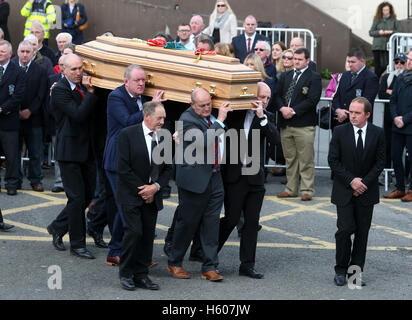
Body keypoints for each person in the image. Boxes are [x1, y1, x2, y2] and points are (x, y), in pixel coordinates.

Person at [167, 88, 232, 282]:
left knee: (211, 224)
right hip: (194, 180)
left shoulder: (209, 117)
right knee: (187, 223)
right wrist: (220, 119)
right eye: (202, 105)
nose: (206, 108)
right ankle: (175, 261)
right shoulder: (186, 120)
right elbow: (204, 142)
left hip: (214, 177)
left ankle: (210, 266)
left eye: (208, 104)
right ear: (191, 105)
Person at [103, 64, 165, 267]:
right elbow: (127, 121)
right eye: (137, 80)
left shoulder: (142, 98)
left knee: (128, 207)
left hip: (136, 160)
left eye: (143, 80)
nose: (141, 83)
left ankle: (122, 251)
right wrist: (152, 106)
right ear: (125, 81)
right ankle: (122, 253)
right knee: (126, 208)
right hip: (117, 159)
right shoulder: (116, 97)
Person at [218, 82, 280, 279]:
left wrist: (262, 118)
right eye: (262, 97)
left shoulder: (266, 118)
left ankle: (247, 265)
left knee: (252, 223)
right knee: (231, 219)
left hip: (255, 177)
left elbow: (275, 139)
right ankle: (206, 254)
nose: (265, 101)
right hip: (234, 176)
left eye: (268, 98)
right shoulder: (236, 113)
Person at [328, 97, 385, 286]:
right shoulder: (339, 131)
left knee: (362, 233)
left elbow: (379, 163)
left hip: (366, 192)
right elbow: (333, 161)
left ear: (367, 114)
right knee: (344, 230)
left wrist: (363, 184)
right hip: (344, 189)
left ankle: (354, 273)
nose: (352, 116)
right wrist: (352, 181)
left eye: (357, 113)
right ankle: (341, 270)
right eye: (351, 112)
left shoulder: (378, 133)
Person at [46, 54, 98, 259]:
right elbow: (77, 115)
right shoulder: (59, 90)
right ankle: (77, 244)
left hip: (87, 150)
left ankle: (57, 226)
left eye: (80, 69)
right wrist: (91, 93)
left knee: (86, 196)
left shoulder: (83, 86)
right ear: (63, 70)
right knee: (76, 198)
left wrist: (90, 91)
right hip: (69, 151)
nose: (78, 73)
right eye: (74, 69)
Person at [117, 101, 172, 291]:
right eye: (159, 118)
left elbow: (167, 169)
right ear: (147, 116)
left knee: (148, 235)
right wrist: (144, 190)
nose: (162, 122)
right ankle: (125, 273)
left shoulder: (164, 137)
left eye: (164, 118)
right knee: (134, 232)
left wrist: (155, 188)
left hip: (153, 195)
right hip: (132, 194)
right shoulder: (127, 135)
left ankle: (141, 275)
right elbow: (123, 169)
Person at [274, 48, 322, 201]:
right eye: (295, 59)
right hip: (286, 123)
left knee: (306, 158)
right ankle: (291, 188)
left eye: (300, 59)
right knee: (290, 158)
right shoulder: (285, 75)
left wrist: (293, 111)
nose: (296, 62)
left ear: (307, 61)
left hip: (304, 124)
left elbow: (312, 100)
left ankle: (307, 189)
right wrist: (282, 108)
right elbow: (277, 95)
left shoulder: (314, 77)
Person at [12, 40, 47, 192]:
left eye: (28, 52)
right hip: (13, 117)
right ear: (17, 52)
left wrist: (30, 111)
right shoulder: (11, 68)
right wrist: (16, 110)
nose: (25, 54)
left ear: (33, 54)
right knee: (14, 152)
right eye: (22, 51)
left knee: (35, 152)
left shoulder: (40, 70)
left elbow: (41, 94)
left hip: (34, 118)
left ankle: (35, 180)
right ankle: (16, 180)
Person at [384, 50, 412, 202]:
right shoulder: (400, 78)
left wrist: (405, 119)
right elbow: (393, 99)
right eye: (408, 59)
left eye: (411, 60)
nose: (408, 62)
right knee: (395, 156)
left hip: (410, 125)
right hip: (398, 125)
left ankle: (411, 189)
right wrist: (395, 117)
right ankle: (400, 187)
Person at [0, 40, 26, 196]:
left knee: (11, 156)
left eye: (3, 51)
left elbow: (19, 95)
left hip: (9, 120)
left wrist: (3, 108)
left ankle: (11, 183)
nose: (0, 54)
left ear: (10, 54)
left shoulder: (18, 72)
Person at [332, 48, 379, 126]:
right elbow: (337, 97)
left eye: (353, 62)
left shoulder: (371, 77)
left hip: (359, 124)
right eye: (349, 62)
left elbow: (366, 102)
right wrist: (338, 110)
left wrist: (347, 113)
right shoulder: (345, 75)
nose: (350, 65)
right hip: (340, 122)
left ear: (362, 61)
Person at [378, 53, 407, 171]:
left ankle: (404, 175)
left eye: (402, 62)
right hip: (389, 118)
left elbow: (405, 97)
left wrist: (391, 92)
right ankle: (387, 172)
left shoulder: (408, 78)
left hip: (405, 118)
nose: (399, 65)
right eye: (396, 62)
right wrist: (393, 94)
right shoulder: (386, 77)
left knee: (406, 149)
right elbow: (381, 94)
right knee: (388, 146)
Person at [369, 2, 402, 79]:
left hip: (388, 46)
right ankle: (375, 81)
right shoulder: (377, 19)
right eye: (384, 10)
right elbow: (371, 32)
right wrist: (379, 32)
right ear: (381, 10)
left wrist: (391, 32)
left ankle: (374, 78)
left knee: (386, 64)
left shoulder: (394, 20)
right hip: (377, 46)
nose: (386, 11)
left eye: (387, 10)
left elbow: (400, 31)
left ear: (390, 10)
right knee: (377, 66)